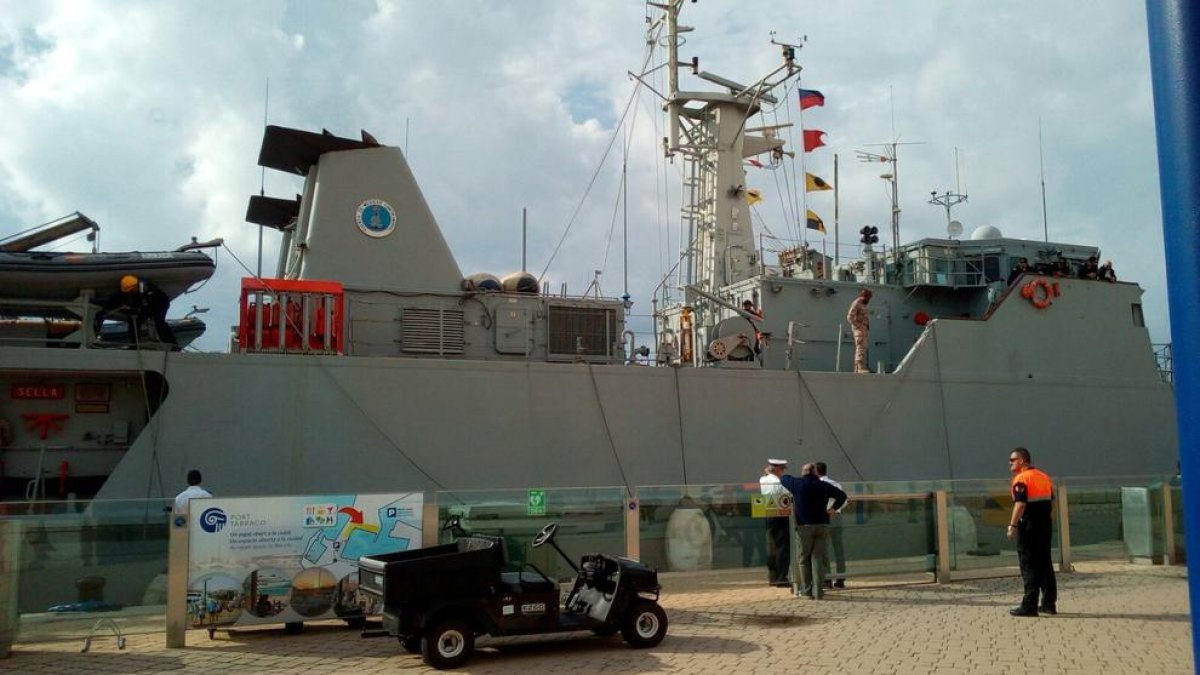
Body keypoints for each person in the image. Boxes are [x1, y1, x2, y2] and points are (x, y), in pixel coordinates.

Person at [780, 463, 847, 599]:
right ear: (815, 473)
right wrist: (833, 509)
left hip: (804, 527)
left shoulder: (797, 484)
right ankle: (818, 591)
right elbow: (842, 496)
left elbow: (784, 478)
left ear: (803, 473)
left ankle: (807, 591)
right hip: (822, 525)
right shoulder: (823, 485)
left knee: (803, 559)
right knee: (818, 558)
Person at [1006, 447, 1057, 616]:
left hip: (1029, 526)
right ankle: (1049, 603)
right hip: (1045, 524)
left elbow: (1020, 504)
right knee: (1045, 562)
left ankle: (1029, 605)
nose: (1009, 463)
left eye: (1012, 460)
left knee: (1028, 564)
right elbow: (1051, 502)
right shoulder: (1044, 476)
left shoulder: (1021, 479)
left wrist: (1012, 526)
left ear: (1021, 461)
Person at [102, 275, 177, 347]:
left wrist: (141, 310)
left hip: (160, 305)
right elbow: (116, 298)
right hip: (147, 306)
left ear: (135, 286)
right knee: (134, 320)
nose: (130, 292)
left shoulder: (150, 290)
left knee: (159, 322)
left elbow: (154, 304)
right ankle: (134, 344)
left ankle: (172, 343)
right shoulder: (133, 291)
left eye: (130, 290)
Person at [815, 462, 847, 589]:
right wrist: (834, 508)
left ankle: (827, 580)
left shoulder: (817, 484)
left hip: (824, 518)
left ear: (816, 472)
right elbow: (844, 501)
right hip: (837, 517)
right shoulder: (836, 483)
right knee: (839, 550)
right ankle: (841, 579)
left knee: (824, 550)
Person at [760, 459, 791, 587]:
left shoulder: (763, 480)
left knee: (771, 548)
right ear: (777, 469)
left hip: (768, 514)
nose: (783, 472)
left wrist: (768, 472)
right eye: (782, 469)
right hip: (780, 515)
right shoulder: (779, 482)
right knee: (782, 548)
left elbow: (765, 476)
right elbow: (788, 495)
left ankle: (772, 577)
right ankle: (782, 578)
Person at [846, 289, 871, 373]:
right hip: (859, 329)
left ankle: (857, 368)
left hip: (863, 329)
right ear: (864, 296)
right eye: (868, 297)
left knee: (862, 347)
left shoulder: (863, 304)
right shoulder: (857, 303)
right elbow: (849, 317)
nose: (869, 300)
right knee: (861, 347)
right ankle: (860, 367)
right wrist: (858, 326)